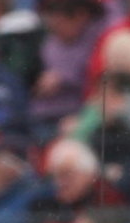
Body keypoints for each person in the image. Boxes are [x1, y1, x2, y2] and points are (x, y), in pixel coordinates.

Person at [28, 0, 106, 134]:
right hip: (41, 115)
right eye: (53, 18)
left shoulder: (96, 40)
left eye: (61, 21)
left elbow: (94, 80)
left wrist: (63, 79)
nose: (56, 26)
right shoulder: (50, 44)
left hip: (75, 113)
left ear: (81, 16)